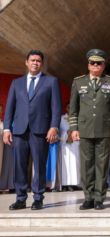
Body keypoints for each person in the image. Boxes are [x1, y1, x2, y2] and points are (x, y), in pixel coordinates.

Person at [3, 50, 62, 210]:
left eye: (38, 61)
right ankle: (21, 198)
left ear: (41, 63)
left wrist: (54, 127)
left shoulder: (51, 81)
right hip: (20, 131)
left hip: (41, 130)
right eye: (32, 60)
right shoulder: (17, 83)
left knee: (40, 165)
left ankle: (38, 198)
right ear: (26, 62)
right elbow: (9, 108)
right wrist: (7, 129)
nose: (35, 63)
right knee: (20, 165)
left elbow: (56, 107)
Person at [70, 49, 110, 210]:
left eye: (98, 63)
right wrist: (74, 128)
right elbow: (73, 108)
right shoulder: (78, 82)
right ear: (88, 65)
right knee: (86, 165)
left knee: (102, 164)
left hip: (104, 129)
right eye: (92, 63)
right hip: (84, 129)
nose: (95, 65)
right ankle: (88, 197)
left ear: (103, 65)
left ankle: (99, 198)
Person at [59, 102, 81, 191]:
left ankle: (75, 184)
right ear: (66, 108)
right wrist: (66, 134)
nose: (71, 109)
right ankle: (64, 184)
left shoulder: (79, 118)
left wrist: (75, 136)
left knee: (76, 164)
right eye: (69, 107)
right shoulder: (61, 118)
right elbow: (58, 132)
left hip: (76, 144)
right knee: (65, 165)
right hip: (64, 145)